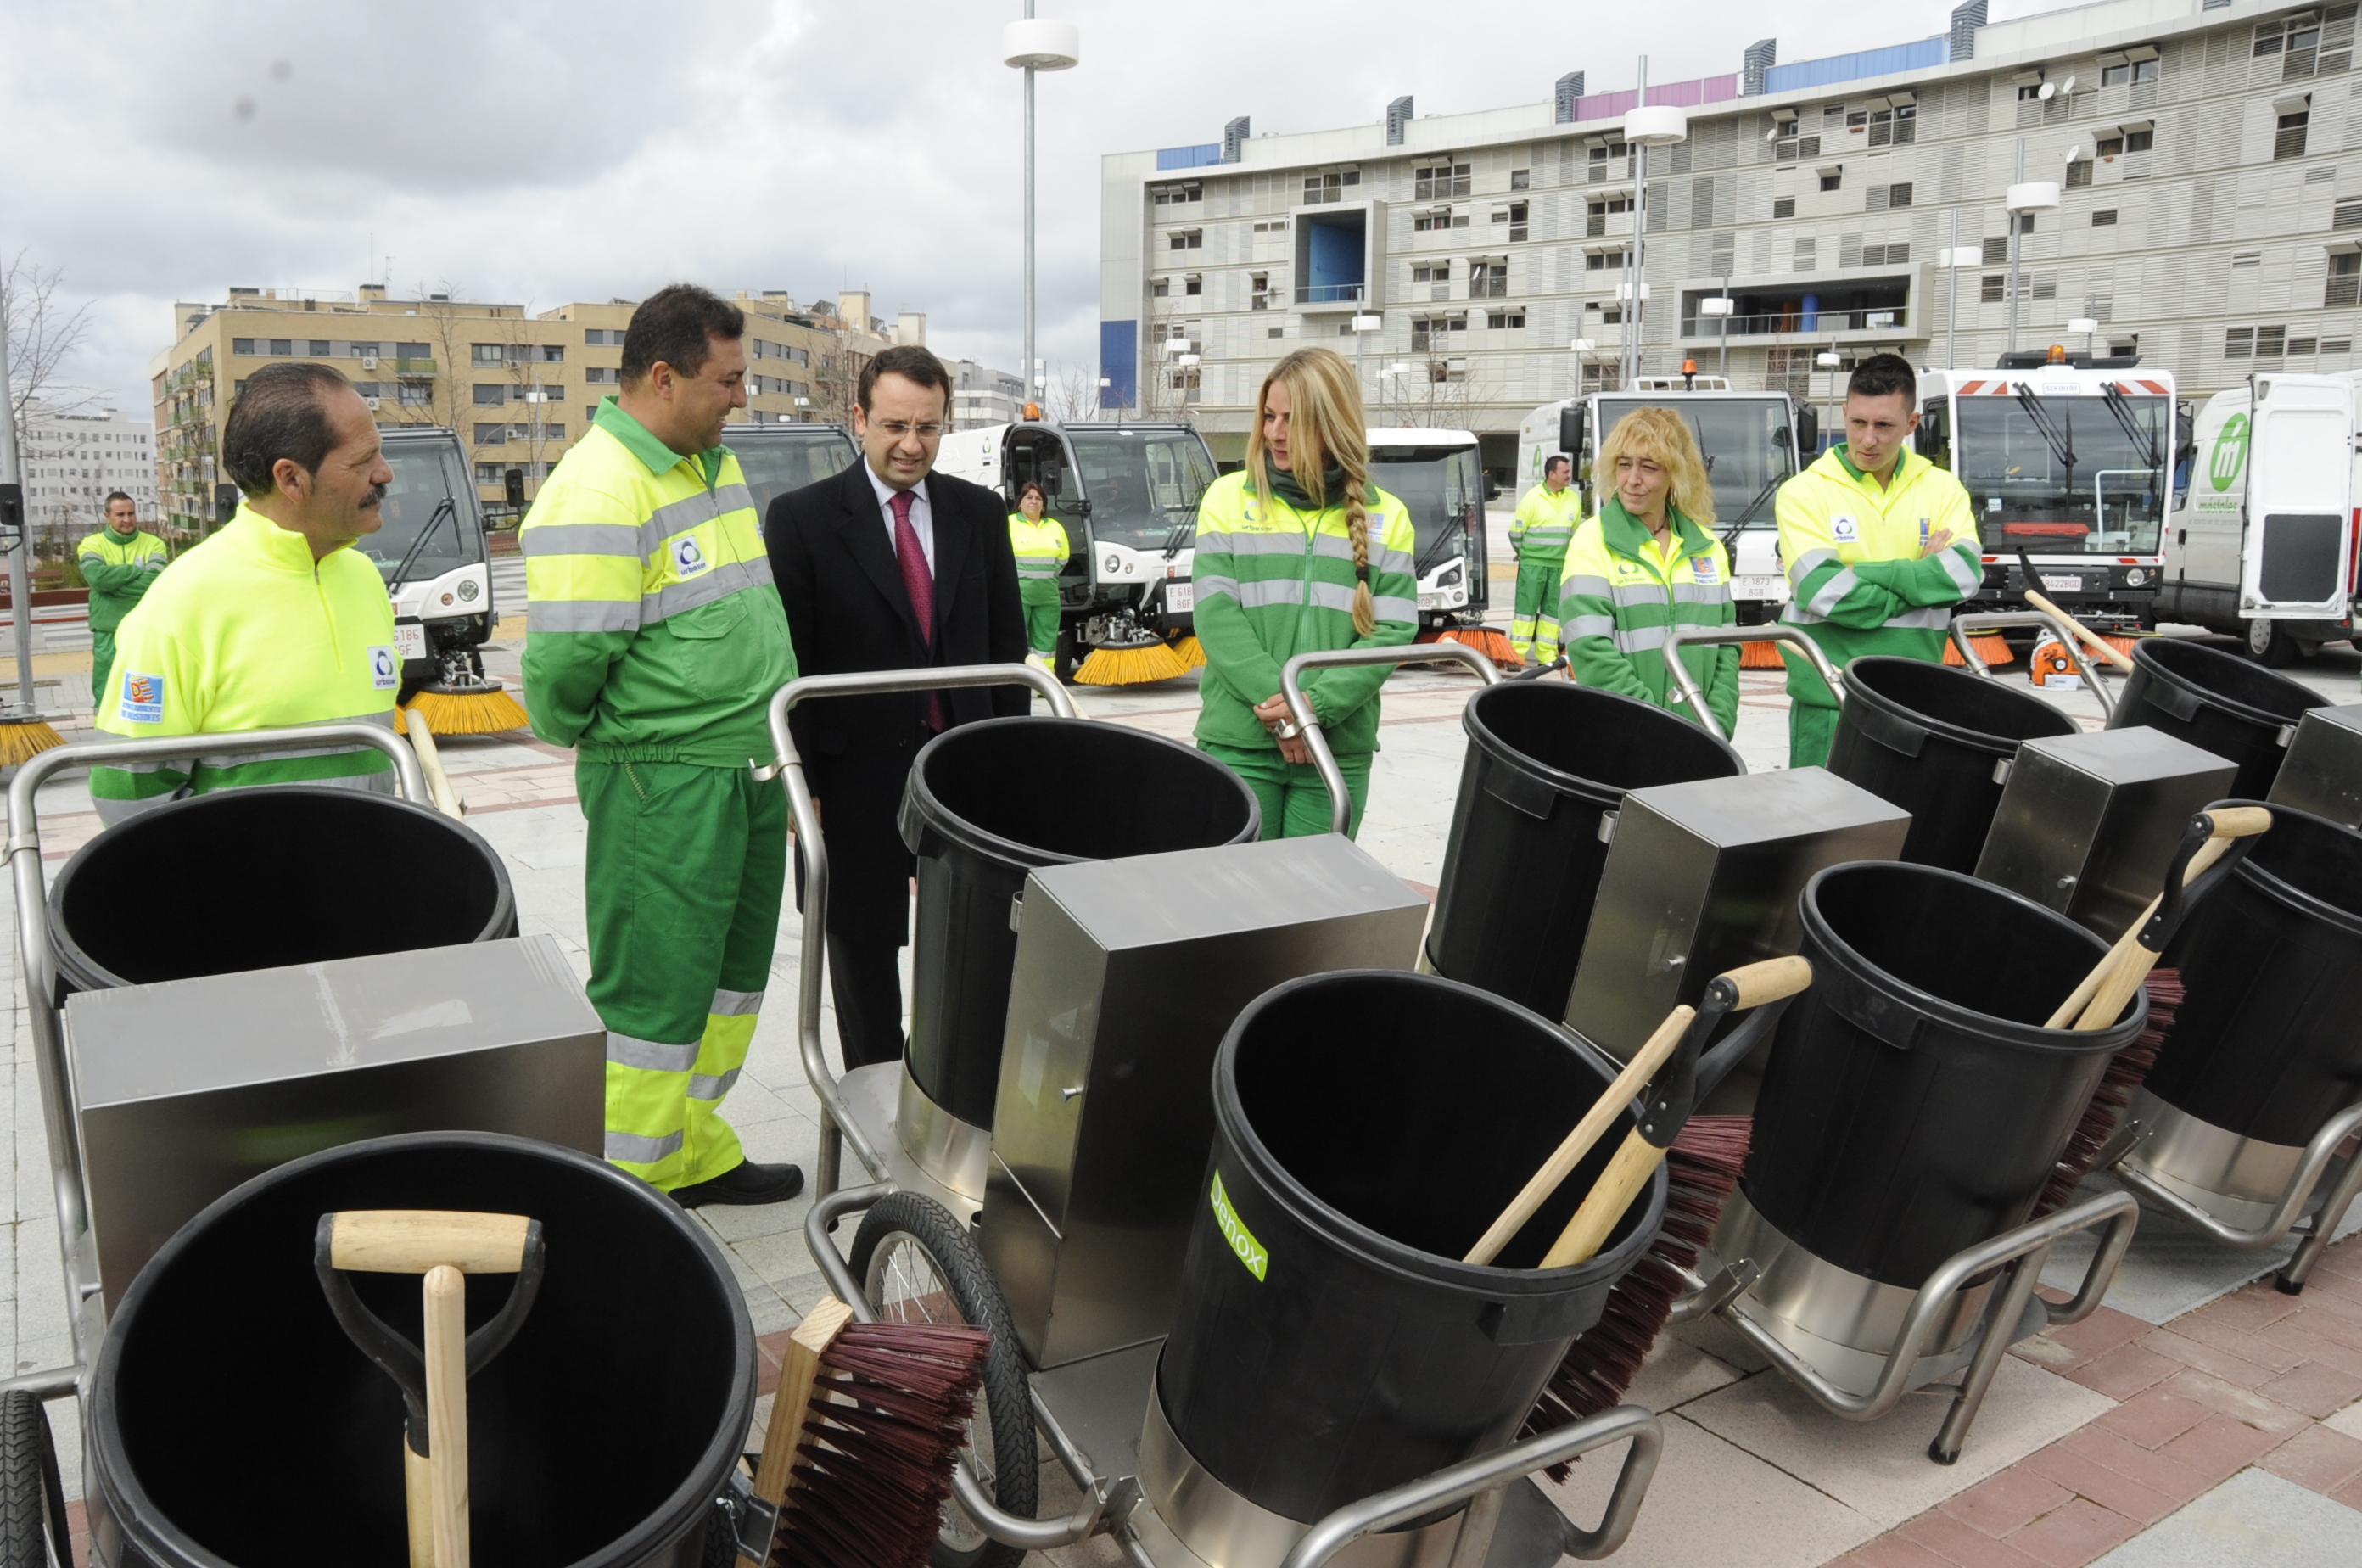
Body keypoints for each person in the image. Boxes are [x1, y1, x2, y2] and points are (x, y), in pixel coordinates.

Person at [521, 283, 804, 1209]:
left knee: (728, 980)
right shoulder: (599, 488)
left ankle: (694, 1149)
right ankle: (630, 1193)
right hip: (665, 781)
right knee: (654, 994)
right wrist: (618, 743)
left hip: (746, 766)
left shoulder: (705, 461)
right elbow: (565, 670)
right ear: (661, 376)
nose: (741, 397)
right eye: (726, 380)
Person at [767, 344, 1027, 1071]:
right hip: (854, 775)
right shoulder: (803, 519)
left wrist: (1019, 761)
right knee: (861, 945)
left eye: (928, 427)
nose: (911, 444)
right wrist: (802, 783)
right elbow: (795, 660)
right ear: (858, 418)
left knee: (975, 940)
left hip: (964, 765)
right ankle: (874, 1095)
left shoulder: (978, 512)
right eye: (893, 426)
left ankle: (956, 1090)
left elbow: (1009, 645)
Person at [90, 364, 400, 824]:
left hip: (366, 879)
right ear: (292, 479)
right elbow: (127, 795)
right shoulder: (184, 600)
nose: (385, 473)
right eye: (363, 460)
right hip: (246, 890)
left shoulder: (362, 575)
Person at [1190, 346, 1417, 838]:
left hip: (1337, 748)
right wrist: (1289, 711)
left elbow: (1393, 632)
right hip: (1240, 742)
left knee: (1314, 908)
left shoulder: (1389, 517)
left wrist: (1314, 711)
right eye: (1269, 416)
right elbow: (1215, 614)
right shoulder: (1227, 499)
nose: (1273, 432)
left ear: (1331, 424)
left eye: (1292, 420)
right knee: (1237, 906)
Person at [1776, 354, 1979, 767]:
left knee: (1903, 827)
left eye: (1884, 426)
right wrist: (1921, 578)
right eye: (1858, 423)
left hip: (1915, 700)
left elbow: (1964, 576)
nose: (1868, 439)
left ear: (1912, 423)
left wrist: (1859, 572)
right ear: (1845, 413)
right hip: (1829, 701)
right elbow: (1824, 591)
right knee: (1821, 828)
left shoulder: (1943, 488)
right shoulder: (1803, 492)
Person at [1559, 408, 1740, 735]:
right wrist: (1654, 728)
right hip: (1626, 736)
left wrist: (1718, 725)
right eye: (1624, 464)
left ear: (1676, 473)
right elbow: (1590, 650)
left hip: (1702, 737)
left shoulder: (1709, 549)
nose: (1632, 480)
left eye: (1649, 467)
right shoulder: (1592, 541)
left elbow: (1727, 649)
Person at [78, 491, 168, 705]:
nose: (127, 519)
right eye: (120, 514)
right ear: (106, 516)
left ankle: (144, 731)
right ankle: (104, 728)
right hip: (108, 628)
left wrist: (112, 586)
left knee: (145, 686)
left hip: (145, 627)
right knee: (107, 686)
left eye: (131, 513)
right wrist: (135, 570)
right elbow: (97, 579)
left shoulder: (154, 544)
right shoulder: (92, 544)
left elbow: (155, 583)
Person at [1509, 454, 1581, 663]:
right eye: (1565, 472)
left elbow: (1575, 534)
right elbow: (1516, 534)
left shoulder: (1573, 499)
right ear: (1552, 474)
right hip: (1533, 565)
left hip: (1559, 566)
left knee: (1552, 614)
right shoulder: (1532, 498)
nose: (1569, 476)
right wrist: (1528, 556)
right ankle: (1517, 655)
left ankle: (1547, 655)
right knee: (1526, 610)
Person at [1007, 480, 1069, 671]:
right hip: (1017, 595)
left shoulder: (1055, 527)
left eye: (1038, 498)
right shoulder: (1010, 524)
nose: (1033, 501)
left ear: (1043, 505)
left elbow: (1063, 558)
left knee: (1046, 643)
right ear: (1020, 503)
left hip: (1048, 596)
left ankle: (1044, 682)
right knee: (1014, 638)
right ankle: (1015, 682)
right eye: (1029, 497)